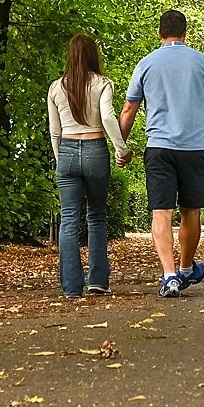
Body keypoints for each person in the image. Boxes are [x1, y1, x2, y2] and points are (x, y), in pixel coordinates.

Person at [120, 9, 204, 298]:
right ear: (185, 32)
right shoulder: (202, 62)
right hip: (195, 148)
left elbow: (129, 108)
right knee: (191, 210)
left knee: (161, 211)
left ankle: (169, 275)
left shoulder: (146, 64)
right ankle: (184, 268)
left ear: (160, 32)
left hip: (159, 148)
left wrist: (121, 145)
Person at [47, 33, 130, 298]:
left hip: (67, 150)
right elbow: (106, 117)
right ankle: (98, 280)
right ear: (94, 55)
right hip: (95, 149)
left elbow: (54, 130)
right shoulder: (103, 84)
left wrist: (62, 160)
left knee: (69, 219)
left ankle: (72, 287)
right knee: (96, 216)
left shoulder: (56, 87)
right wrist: (121, 149)